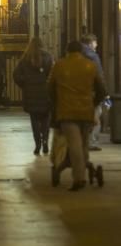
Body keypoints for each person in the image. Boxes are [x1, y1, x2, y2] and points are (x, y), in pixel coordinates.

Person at [48, 41, 107, 191]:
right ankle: (84, 166)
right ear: (81, 51)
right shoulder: (90, 66)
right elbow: (101, 89)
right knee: (84, 144)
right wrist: (93, 104)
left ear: (67, 51)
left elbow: (49, 88)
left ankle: (79, 178)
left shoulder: (59, 65)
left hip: (67, 112)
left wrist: (57, 103)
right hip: (86, 111)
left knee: (74, 144)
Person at [13, 37, 53, 155]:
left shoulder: (25, 58)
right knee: (46, 120)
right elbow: (53, 74)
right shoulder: (48, 57)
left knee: (34, 121)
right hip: (45, 93)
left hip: (30, 94)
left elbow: (16, 75)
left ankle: (37, 144)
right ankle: (45, 142)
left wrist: (25, 84)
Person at [80, 33, 106, 151]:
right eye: (95, 42)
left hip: (80, 92)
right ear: (90, 43)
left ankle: (84, 140)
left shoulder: (77, 55)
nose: (97, 44)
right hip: (93, 91)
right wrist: (103, 92)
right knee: (96, 115)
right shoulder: (93, 56)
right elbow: (99, 76)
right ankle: (92, 141)